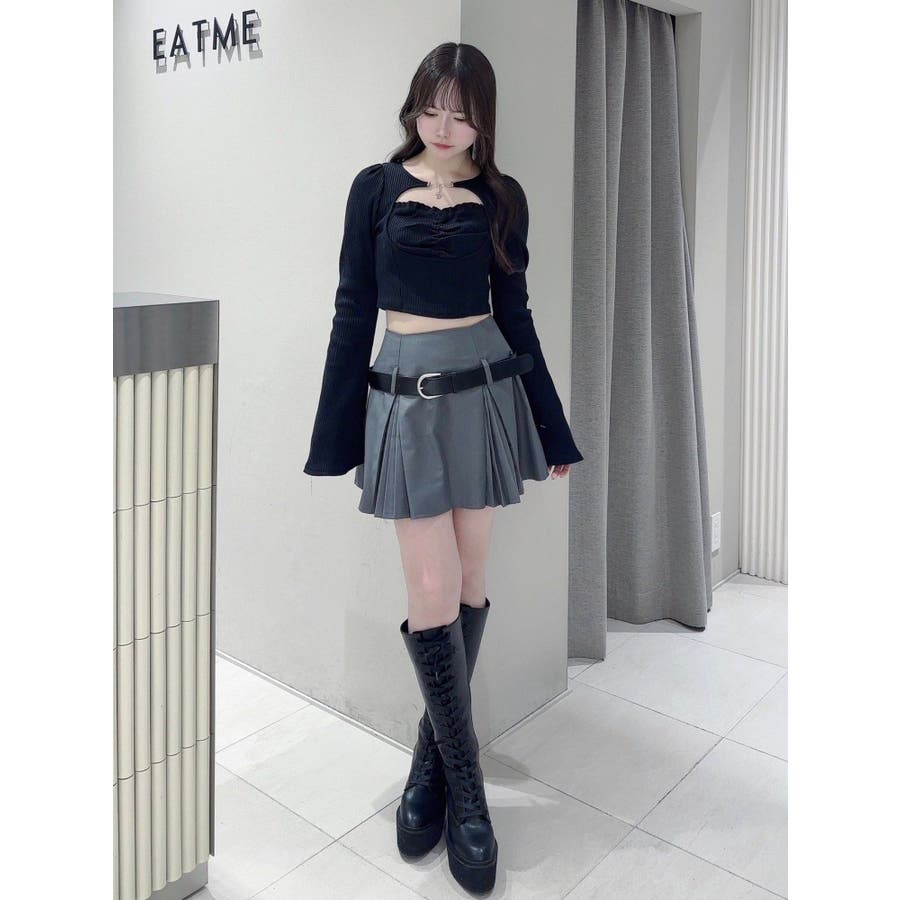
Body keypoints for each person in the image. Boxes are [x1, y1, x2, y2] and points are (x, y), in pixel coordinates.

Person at [303, 42, 583, 894]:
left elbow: (517, 313)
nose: (444, 125)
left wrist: (554, 429)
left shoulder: (502, 199)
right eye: (432, 108)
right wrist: (336, 433)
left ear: (483, 118)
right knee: (430, 588)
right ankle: (469, 798)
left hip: (485, 393)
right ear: (414, 107)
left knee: (468, 582)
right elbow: (354, 307)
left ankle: (431, 767)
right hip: (404, 399)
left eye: (461, 112)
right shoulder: (374, 190)